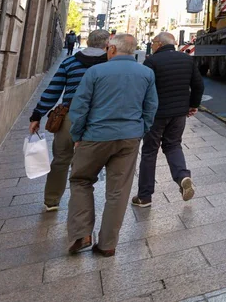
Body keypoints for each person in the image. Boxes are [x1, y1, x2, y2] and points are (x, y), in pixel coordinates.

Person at [67, 33, 158, 257]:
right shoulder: (146, 73)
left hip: (95, 136)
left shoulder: (96, 72)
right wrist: (141, 130)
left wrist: (77, 135)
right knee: (118, 191)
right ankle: (107, 244)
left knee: (81, 180)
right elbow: (151, 106)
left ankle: (82, 233)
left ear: (112, 50)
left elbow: (80, 107)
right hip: (129, 137)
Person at [29, 29, 110, 212]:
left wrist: (37, 115)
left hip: (69, 116)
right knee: (86, 163)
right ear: (107, 44)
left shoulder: (70, 61)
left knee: (61, 159)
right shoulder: (109, 64)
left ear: (87, 42)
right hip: (97, 119)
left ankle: (51, 200)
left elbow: (53, 90)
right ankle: (79, 202)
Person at [132, 32, 204, 207]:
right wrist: (193, 105)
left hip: (156, 114)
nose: (153, 45)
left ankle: (144, 196)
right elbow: (198, 85)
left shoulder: (152, 62)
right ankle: (183, 177)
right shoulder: (187, 60)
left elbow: (143, 88)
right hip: (179, 114)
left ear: (158, 44)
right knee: (173, 145)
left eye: (153, 42)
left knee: (149, 152)